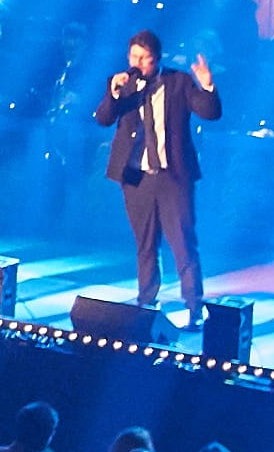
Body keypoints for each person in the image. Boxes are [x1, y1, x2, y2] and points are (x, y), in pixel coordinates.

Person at [86, 29, 221, 313]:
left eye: (145, 59)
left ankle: (194, 306)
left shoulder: (179, 82)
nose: (138, 64)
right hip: (137, 177)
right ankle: (146, 304)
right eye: (134, 57)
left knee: (183, 242)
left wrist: (207, 86)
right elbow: (103, 118)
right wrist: (113, 93)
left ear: (157, 58)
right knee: (145, 245)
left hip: (173, 177)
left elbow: (210, 112)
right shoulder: (123, 84)